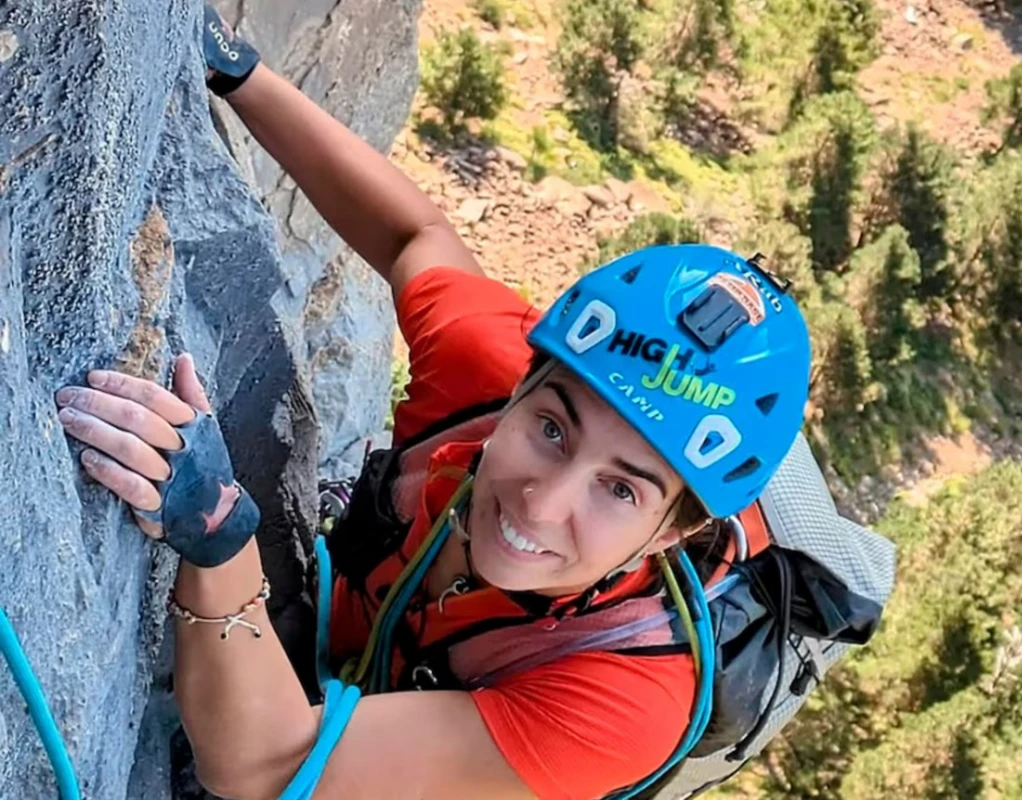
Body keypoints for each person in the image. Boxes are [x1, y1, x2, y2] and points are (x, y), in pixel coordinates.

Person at [54, 9, 810, 800]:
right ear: (521, 382)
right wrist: (240, 76)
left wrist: (216, 532)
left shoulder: (624, 695)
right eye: (552, 429)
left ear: (674, 531)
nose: (542, 502)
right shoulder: (484, 376)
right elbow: (414, 235)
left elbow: (265, 770)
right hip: (351, 658)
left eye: (621, 489)